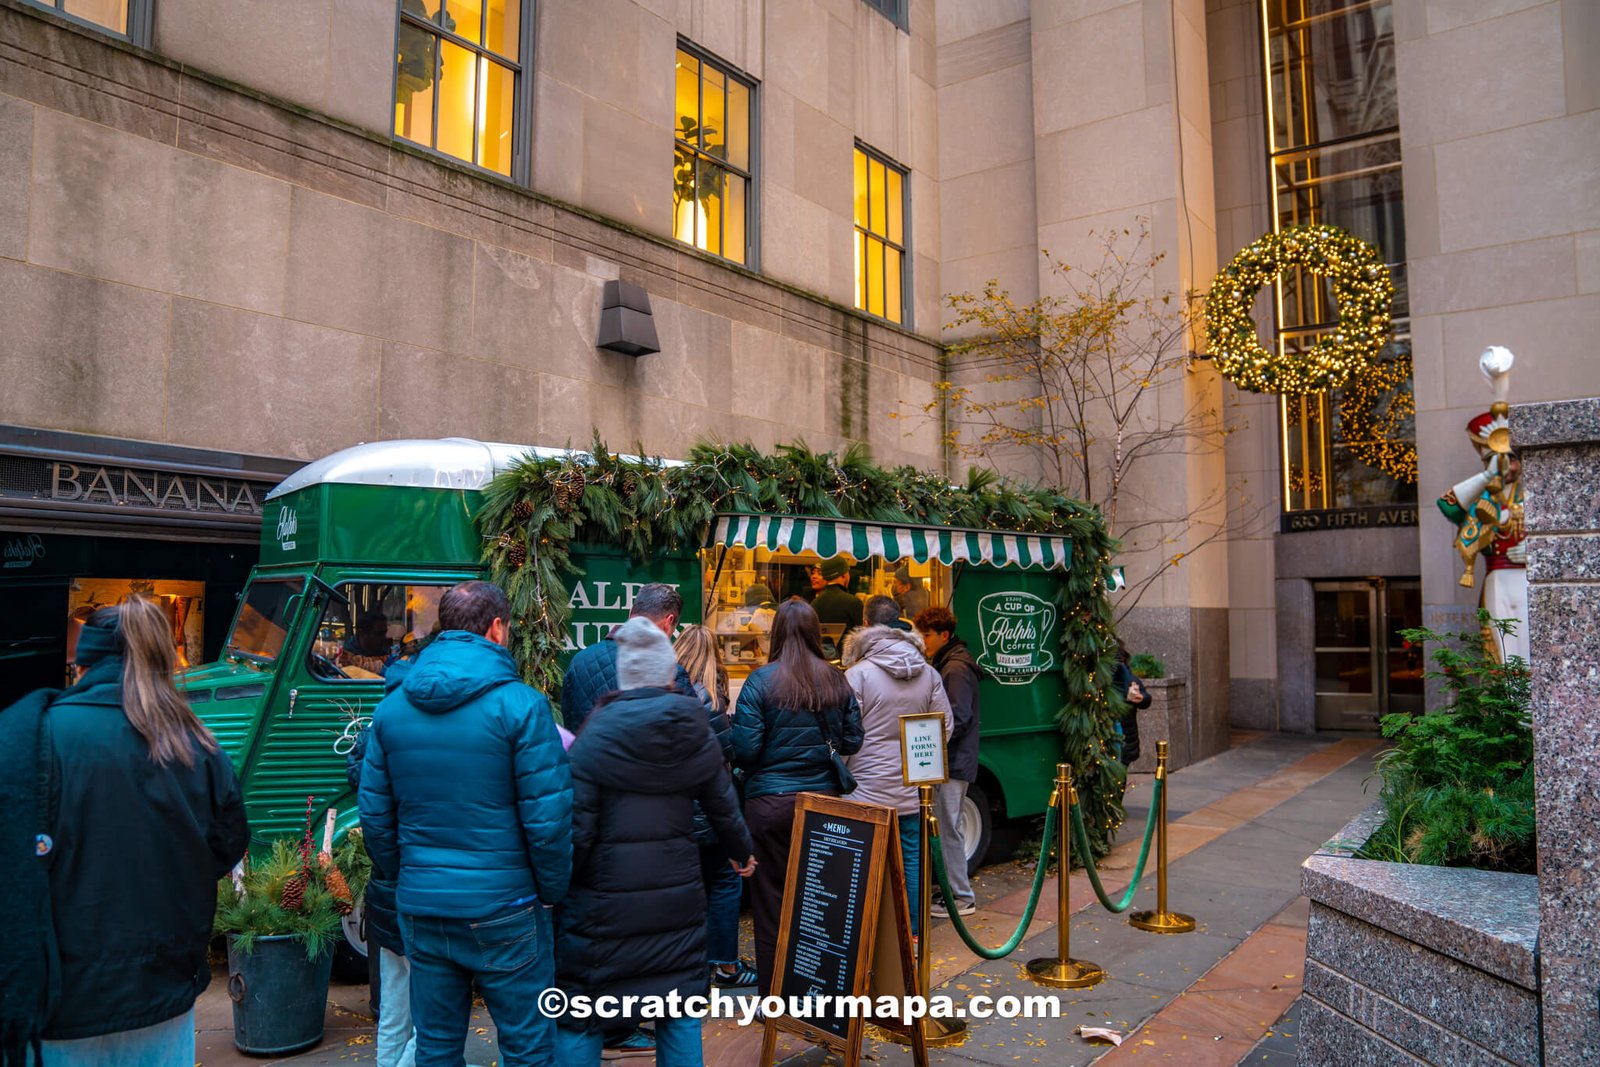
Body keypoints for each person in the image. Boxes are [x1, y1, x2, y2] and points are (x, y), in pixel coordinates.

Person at [0, 595, 248, 1066]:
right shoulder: (198, 747)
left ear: (81, 662)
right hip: (163, 995)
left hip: (58, 1002)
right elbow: (227, 845)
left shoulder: (36, 739)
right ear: (163, 659)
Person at [359, 581, 573, 1067]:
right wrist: (552, 891)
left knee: (435, 1045)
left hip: (423, 905)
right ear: (497, 628)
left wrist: (404, 874)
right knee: (527, 1045)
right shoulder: (523, 707)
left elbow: (375, 816)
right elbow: (549, 821)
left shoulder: (391, 710)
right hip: (509, 904)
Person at [554, 618, 757, 1067]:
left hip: (602, 905)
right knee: (679, 1007)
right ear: (669, 675)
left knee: (580, 1011)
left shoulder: (593, 735)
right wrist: (741, 852)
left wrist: (559, 887)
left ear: (625, 675)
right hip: (675, 897)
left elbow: (579, 831)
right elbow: (723, 804)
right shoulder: (693, 727)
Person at [732, 599, 863, 991]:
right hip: (824, 805)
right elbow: (853, 739)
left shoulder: (760, 680)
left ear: (777, 634)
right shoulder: (836, 679)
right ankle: (818, 991)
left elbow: (745, 750)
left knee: (770, 902)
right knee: (820, 902)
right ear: (814, 630)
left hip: (769, 805)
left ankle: (776, 995)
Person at [841, 604, 952, 936]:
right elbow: (944, 727)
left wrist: (847, 774)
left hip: (865, 791)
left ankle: (866, 937)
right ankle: (913, 934)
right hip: (911, 791)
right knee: (913, 864)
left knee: (865, 865)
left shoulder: (857, 675)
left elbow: (846, 736)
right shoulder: (930, 673)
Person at [674, 625, 760, 989]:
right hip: (707, 810)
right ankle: (725, 965)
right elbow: (727, 755)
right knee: (726, 882)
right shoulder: (710, 700)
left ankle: (688, 963)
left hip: (676, 810)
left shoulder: (668, 694)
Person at [915, 607, 983, 918]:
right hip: (954, 758)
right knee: (947, 825)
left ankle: (961, 897)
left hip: (953, 760)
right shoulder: (952, 663)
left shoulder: (954, 668)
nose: (922, 640)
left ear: (943, 635)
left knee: (948, 827)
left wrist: (930, 743)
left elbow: (957, 718)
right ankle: (954, 891)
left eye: (926, 635)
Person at [561, 584, 700, 734]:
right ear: (668, 622)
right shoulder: (672, 673)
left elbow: (570, 723)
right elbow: (692, 734)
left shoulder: (579, 662)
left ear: (630, 613)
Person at [811, 557, 863, 649]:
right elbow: (861, 638)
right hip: (847, 660)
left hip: (821, 659)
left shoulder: (814, 604)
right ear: (844, 575)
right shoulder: (853, 603)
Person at [1112, 642, 1149, 767]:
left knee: (1120, 774)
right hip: (1122, 739)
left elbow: (1146, 699)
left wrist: (1142, 698)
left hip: (1125, 739)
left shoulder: (1130, 680)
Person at [340, 611, 393, 676]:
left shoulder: (387, 651)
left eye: (384, 633)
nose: (384, 637)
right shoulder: (346, 658)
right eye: (379, 634)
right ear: (362, 633)